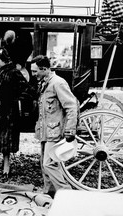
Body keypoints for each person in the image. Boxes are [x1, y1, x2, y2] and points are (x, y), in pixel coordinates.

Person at [0, 48, 35, 181]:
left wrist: (14, 100)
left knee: (6, 140)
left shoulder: (13, 73)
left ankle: (7, 166)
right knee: (1, 139)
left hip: (7, 113)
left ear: (4, 60)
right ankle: (4, 164)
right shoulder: (0, 71)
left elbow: (27, 90)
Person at [30, 55, 79, 198]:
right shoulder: (46, 82)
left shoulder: (58, 83)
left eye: (35, 71)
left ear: (44, 69)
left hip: (55, 131)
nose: (33, 74)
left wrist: (70, 129)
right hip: (47, 130)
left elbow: (71, 106)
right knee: (44, 164)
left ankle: (67, 195)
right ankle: (49, 192)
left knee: (49, 164)